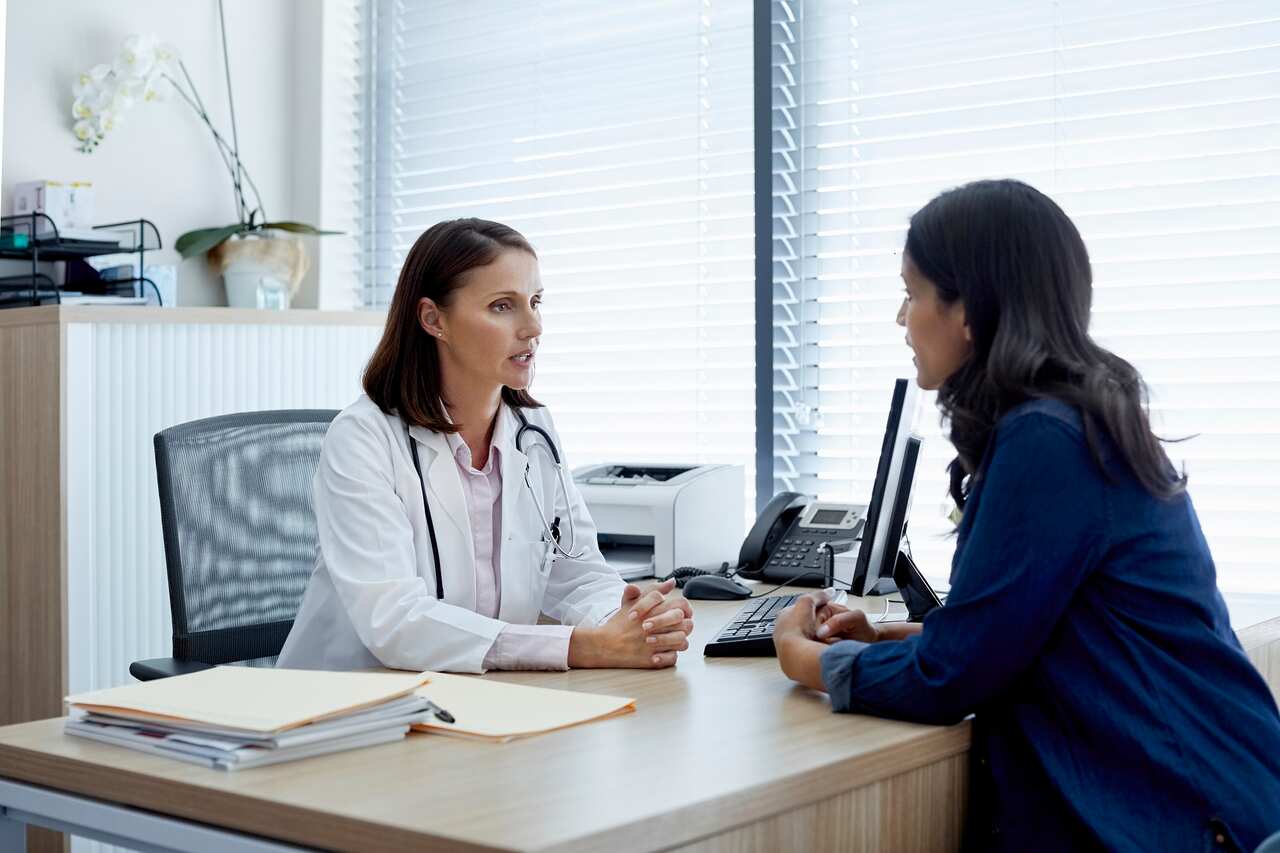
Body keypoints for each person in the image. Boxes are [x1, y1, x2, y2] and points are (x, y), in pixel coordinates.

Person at [771, 180, 1280, 851]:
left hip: (1179, 817)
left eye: (913, 291)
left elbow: (952, 677)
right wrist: (884, 638)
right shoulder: (1078, 418)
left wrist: (802, 657)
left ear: (970, 313)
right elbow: (1025, 631)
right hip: (1215, 798)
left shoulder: (1047, 439)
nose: (901, 317)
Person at [278, 218, 693, 673]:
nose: (533, 326)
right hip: (352, 709)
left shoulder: (531, 429)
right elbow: (396, 622)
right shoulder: (363, 438)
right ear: (434, 319)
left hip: (480, 699)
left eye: (535, 302)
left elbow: (575, 572)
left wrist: (635, 619)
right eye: (502, 306)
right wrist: (584, 646)